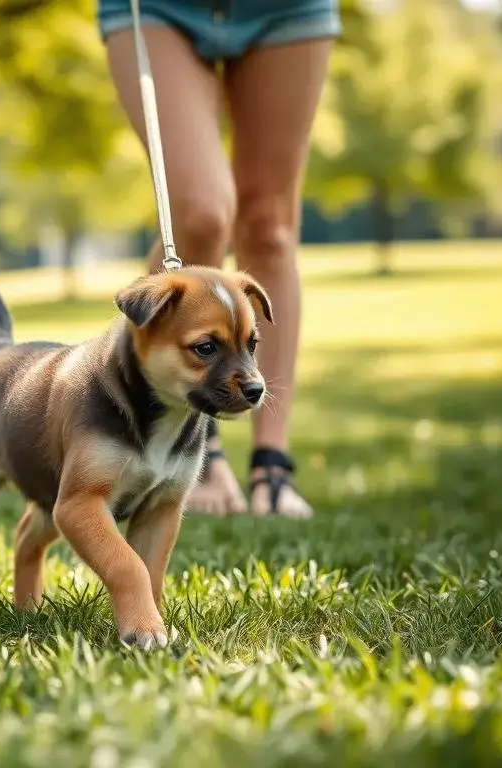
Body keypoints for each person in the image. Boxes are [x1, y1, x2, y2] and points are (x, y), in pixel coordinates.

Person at [96, 0, 340, 517]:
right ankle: (193, 446)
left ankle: (271, 465)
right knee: (204, 212)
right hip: (160, 9)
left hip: (285, 10)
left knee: (270, 229)